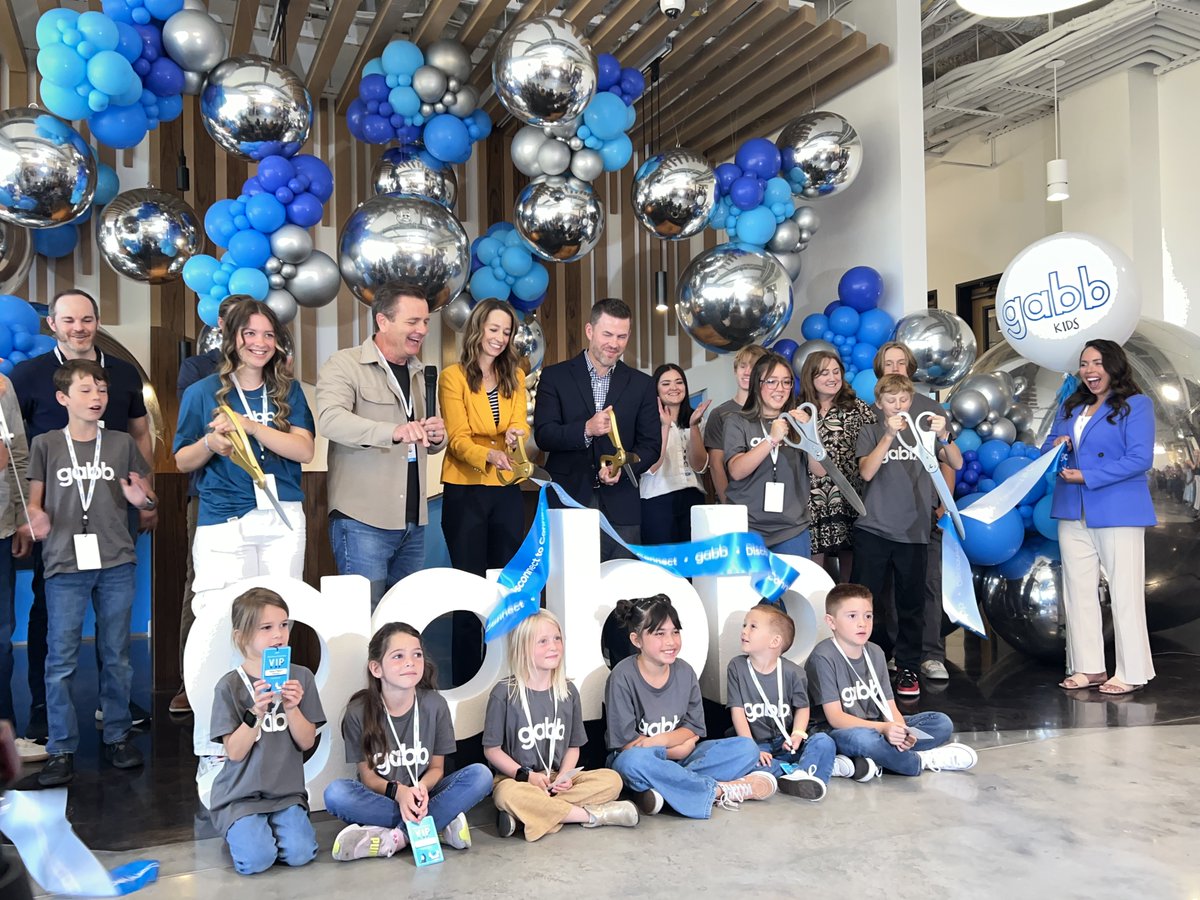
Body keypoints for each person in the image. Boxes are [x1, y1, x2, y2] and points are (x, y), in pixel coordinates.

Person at [10, 289, 153, 742]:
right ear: (52, 324)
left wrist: (146, 494)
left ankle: (114, 711)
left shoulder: (126, 374)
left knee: (114, 627)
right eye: (68, 320)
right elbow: (19, 448)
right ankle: (42, 707)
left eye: (87, 319)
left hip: (116, 512)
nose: (79, 328)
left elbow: (140, 432)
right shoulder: (28, 375)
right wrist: (28, 512)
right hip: (59, 522)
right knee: (49, 617)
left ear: (97, 321)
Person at [25, 360, 157, 786]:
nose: (96, 397)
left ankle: (118, 736)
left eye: (100, 389)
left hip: (116, 560)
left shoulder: (120, 443)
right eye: (85, 390)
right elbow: (34, 501)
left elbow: (148, 501)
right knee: (60, 659)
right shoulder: (45, 443)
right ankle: (61, 748)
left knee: (116, 654)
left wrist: (143, 499)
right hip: (64, 563)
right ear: (63, 398)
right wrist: (35, 519)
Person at [174, 299, 313, 620]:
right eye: (250, 333)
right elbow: (183, 460)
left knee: (279, 616)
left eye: (268, 335)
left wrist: (250, 426)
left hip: (283, 518)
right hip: (224, 519)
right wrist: (210, 442)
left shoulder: (288, 390)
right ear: (231, 337)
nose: (260, 343)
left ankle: (270, 674)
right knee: (220, 619)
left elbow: (304, 450)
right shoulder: (201, 392)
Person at [316, 288, 446, 609]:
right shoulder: (345, 364)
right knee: (361, 624)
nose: (423, 331)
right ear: (383, 321)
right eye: (413, 321)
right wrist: (393, 431)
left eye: (426, 322)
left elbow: (427, 444)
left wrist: (438, 436)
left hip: (413, 523)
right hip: (363, 522)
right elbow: (331, 420)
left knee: (402, 620)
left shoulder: (421, 373)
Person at [324, 622, 492, 861]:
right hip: (385, 799)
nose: (410, 662)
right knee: (336, 794)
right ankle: (439, 825)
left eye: (417, 655)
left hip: (427, 795)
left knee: (481, 775)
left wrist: (421, 788)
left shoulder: (435, 705)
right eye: (398, 656)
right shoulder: (358, 711)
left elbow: (436, 769)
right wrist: (399, 793)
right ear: (376, 668)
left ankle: (395, 838)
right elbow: (369, 777)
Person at [1048, 340, 1156, 696]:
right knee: (1078, 592)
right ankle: (1089, 667)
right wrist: (1056, 445)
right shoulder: (1071, 404)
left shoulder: (1136, 406)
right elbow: (1048, 444)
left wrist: (1088, 476)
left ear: (1113, 365)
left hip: (1117, 508)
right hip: (1072, 507)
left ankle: (1133, 671)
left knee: (1124, 592)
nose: (1090, 370)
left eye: (1097, 363)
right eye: (1084, 364)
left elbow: (1140, 459)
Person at [604, 594, 776, 818]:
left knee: (748, 748)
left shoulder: (685, 671)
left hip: (683, 759)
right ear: (637, 640)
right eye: (659, 634)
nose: (671, 641)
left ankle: (664, 789)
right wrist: (676, 747)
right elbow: (628, 745)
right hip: (642, 759)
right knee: (632, 763)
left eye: (675, 632)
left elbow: (693, 730)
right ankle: (717, 790)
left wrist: (662, 742)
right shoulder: (622, 676)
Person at [483, 610, 637, 841]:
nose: (553, 646)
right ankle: (590, 815)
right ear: (522, 647)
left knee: (612, 780)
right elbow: (491, 750)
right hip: (518, 780)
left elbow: (573, 747)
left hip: (557, 777)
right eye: (543, 641)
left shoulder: (568, 691)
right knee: (507, 795)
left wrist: (564, 775)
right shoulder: (504, 693)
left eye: (557, 639)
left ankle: (532, 815)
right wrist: (527, 777)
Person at [852, 374, 961, 699]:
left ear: (910, 401)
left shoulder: (923, 432)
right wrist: (887, 436)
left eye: (903, 400)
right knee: (866, 600)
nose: (897, 406)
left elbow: (956, 461)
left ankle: (909, 666)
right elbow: (867, 471)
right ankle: (861, 666)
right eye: (890, 401)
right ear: (880, 404)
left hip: (914, 531)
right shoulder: (871, 430)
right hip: (873, 529)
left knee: (911, 603)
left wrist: (944, 435)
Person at [207, 588, 324, 876]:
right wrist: (254, 714)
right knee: (256, 861)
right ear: (241, 636)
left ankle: (266, 830)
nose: (279, 635)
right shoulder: (229, 686)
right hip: (240, 796)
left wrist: (292, 708)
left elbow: (307, 741)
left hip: (286, 793)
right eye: (267, 627)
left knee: (301, 854)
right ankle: (242, 829)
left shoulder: (301, 677)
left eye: (284, 625)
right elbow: (234, 752)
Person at [438, 299, 525, 684]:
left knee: (505, 590)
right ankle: (466, 683)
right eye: (493, 329)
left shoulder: (516, 377)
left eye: (506, 332)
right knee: (467, 593)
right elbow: (456, 440)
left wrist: (514, 435)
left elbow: (520, 425)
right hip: (466, 491)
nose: (500, 338)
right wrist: (491, 451)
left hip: (507, 491)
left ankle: (505, 679)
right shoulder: (452, 377)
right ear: (477, 330)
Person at [806, 583, 977, 777]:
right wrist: (884, 728)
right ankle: (920, 761)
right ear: (831, 622)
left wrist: (900, 731)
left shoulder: (876, 652)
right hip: (840, 731)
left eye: (868, 616)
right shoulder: (823, 657)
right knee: (864, 740)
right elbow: (836, 718)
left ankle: (873, 761)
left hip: (877, 726)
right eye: (852, 616)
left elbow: (890, 707)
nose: (862, 623)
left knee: (941, 723)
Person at [533, 298, 659, 556]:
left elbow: (651, 446)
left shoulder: (642, 384)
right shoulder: (554, 377)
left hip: (622, 507)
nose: (614, 344)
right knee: (569, 587)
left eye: (622, 336)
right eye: (608, 334)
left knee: (621, 588)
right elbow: (544, 435)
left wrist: (622, 469)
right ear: (590, 331)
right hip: (568, 502)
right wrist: (586, 430)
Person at [874, 341, 960, 682]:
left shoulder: (929, 409)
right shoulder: (875, 410)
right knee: (895, 590)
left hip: (924, 515)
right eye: (888, 362)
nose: (895, 368)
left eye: (900, 362)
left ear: (910, 367)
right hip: (885, 518)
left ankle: (931, 653)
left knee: (928, 585)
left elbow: (948, 460)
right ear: (881, 369)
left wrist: (944, 504)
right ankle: (901, 652)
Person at [172, 296, 240, 716]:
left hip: (265, 499)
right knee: (199, 588)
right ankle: (190, 679)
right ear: (219, 323)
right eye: (235, 324)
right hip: (208, 496)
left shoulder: (274, 370)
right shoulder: (198, 370)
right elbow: (189, 439)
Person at [726, 603, 835, 801]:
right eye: (744, 625)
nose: (744, 631)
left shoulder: (794, 673)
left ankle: (796, 775)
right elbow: (737, 711)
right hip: (758, 745)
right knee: (744, 759)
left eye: (753, 626)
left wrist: (798, 735)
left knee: (824, 741)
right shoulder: (737, 667)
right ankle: (799, 772)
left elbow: (802, 708)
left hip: (787, 742)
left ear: (775, 641)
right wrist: (751, 747)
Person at [723, 352, 820, 557]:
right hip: (747, 528)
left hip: (791, 529)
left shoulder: (798, 422)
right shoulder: (737, 421)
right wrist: (771, 440)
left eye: (786, 382)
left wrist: (811, 435)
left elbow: (819, 471)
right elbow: (736, 471)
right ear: (757, 384)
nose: (780, 389)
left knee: (794, 589)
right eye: (772, 382)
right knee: (749, 589)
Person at [799, 350, 875, 580]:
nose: (832, 378)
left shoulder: (857, 407)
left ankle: (846, 606)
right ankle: (816, 610)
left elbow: (876, 442)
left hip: (849, 494)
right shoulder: (799, 409)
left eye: (836, 372)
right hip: (810, 497)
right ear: (810, 378)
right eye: (824, 373)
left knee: (850, 559)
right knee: (814, 562)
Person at [0, 375, 36, 762]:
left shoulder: (4, 387)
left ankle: (4, 736)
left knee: (1, 639)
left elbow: (18, 455)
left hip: (0, 527)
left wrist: (23, 517)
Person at [639, 364, 709, 544]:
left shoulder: (697, 420)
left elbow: (700, 466)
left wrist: (694, 426)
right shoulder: (645, 422)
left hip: (693, 496)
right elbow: (650, 468)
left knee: (693, 565)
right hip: (657, 498)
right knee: (663, 567)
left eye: (679, 382)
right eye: (666, 383)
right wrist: (664, 426)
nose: (674, 388)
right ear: (655, 389)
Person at [703, 344, 767, 503]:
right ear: (735, 371)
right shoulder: (720, 414)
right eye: (742, 366)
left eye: (753, 367)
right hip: (735, 500)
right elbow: (716, 464)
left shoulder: (774, 411)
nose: (746, 372)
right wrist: (728, 503)